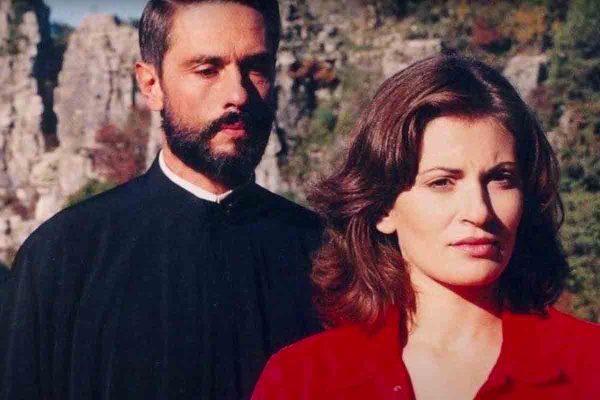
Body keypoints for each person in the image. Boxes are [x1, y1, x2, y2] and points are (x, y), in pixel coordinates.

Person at [0, 1, 323, 399]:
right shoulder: (64, 256)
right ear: (151, 84)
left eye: (256, 67)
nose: (238, 94)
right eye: (207, 70)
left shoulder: (328, 256)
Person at [251, 54, 600, 399]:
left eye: (500, 178)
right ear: (382, 207)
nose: (479, 211)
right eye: (442, 182)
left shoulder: (589, 365)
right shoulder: (302, 382)